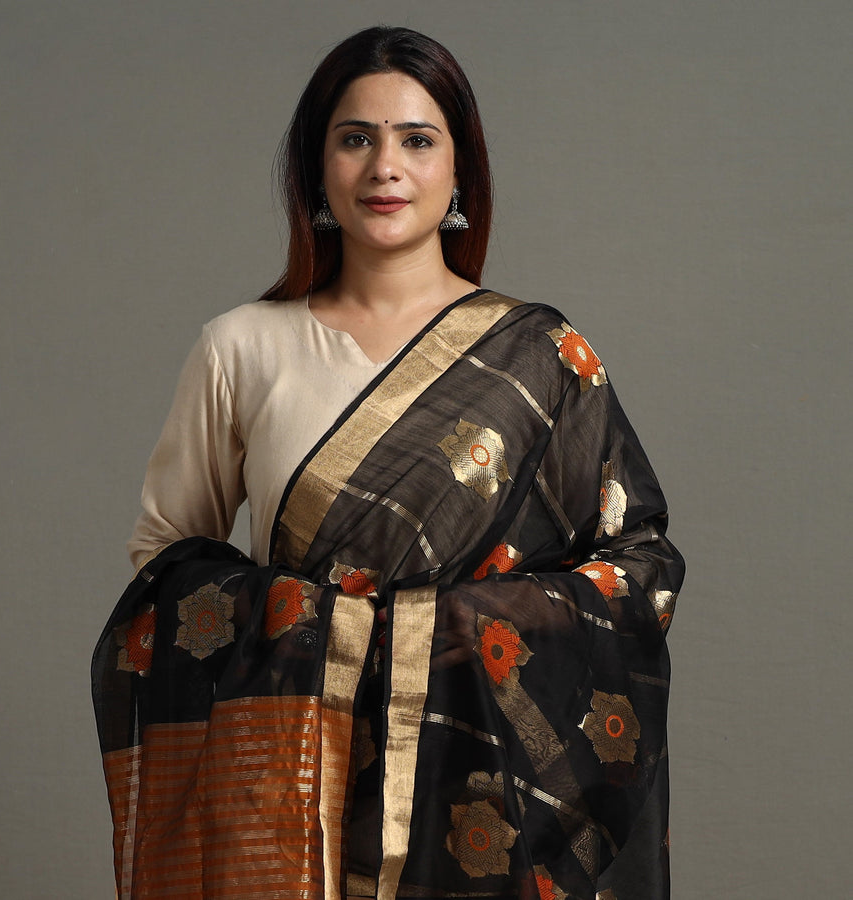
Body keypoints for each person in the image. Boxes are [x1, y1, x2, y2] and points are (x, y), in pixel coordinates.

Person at [92, 25, 684, 900]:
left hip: (480, 791)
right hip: (295, 784)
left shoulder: (541, 357)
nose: (385, 167)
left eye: (417, 139)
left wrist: (458, 627)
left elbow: (639, 567)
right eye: (355, 139)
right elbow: (165, 565)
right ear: (317, 169)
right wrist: (314, 628)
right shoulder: (241, 346)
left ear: (459, 172)